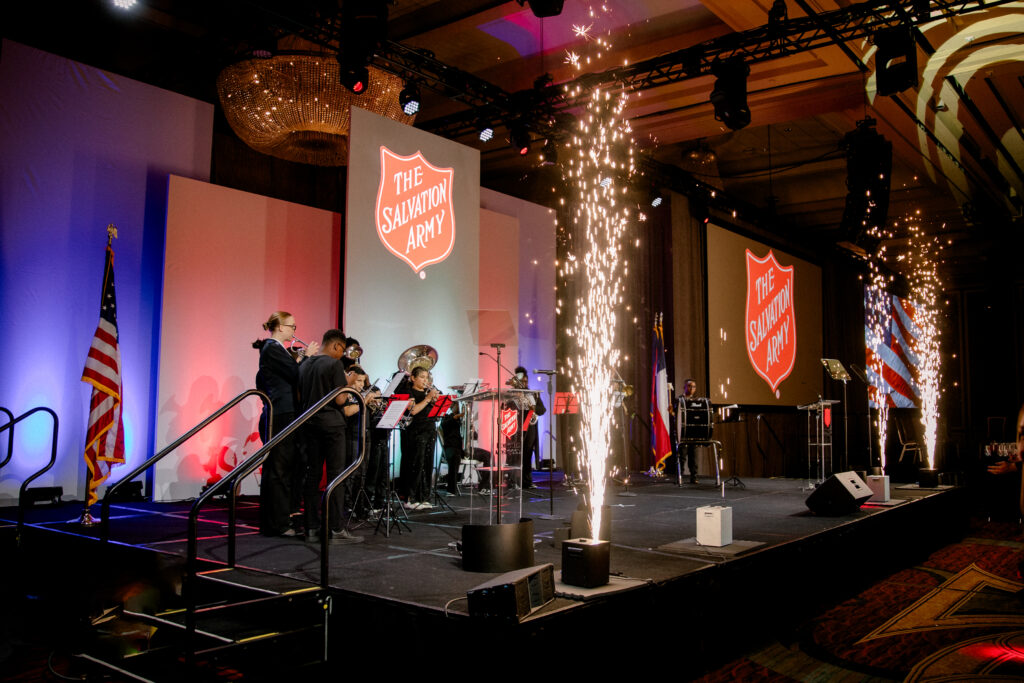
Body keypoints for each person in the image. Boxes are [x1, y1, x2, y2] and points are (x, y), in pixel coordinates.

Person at [253, 311, 318, 537]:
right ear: (280, 327)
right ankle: (277, 523)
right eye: (292, 326)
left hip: (285, 411)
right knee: (279, 468)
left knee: (283, 467)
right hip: (282, 412)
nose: (294, 331)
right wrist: (307, 357)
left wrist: (298, 359)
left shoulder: (275, 349)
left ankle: (280, 519)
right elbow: (294, 374)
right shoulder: (271, 347)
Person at [298, 329, 362, 544]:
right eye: (342, 351)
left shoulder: (305, 364)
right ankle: (335, 529)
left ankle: (311, 528)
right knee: (336, 475)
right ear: (336, 346)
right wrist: (349, 382)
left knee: (312, 476)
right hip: (332, 425)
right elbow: (341, 400)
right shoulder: (334, 365)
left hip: (309, 424)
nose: (342, 355)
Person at [399, 366, 440, 509]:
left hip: (429, 430)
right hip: (416, 431)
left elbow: (436, 411)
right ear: (413, 378)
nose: (425, 380)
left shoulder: (428, 392)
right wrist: (428, 399)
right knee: (416, 464)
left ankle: (424, 496)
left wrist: (436, 401)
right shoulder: (408, 391)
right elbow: (414, 410)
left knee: (427, 464)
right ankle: (410, 497)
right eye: (422, 377)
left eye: (426, 377)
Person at [513, 366, 546, 490]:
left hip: (530, 428)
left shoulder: (533, 394)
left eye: (526, 382)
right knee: (516, 455)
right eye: (522, 382)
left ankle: (527, 481)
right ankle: (515, 481)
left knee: (527, 455)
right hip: (516, 428)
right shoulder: (512, 394)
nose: (524, 384)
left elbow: (542, 410)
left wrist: (533, 408)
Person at [680, 378, 701, 484]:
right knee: (682, 456)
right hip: (683, 432)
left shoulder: (696, 401)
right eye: (689, 386)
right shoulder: (680, 400)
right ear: (684, 387)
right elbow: (676, 416)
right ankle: (680, 476)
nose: (691, 388)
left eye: (693, 387)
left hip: (692, 431)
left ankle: (694, 476)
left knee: (693, 456)